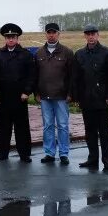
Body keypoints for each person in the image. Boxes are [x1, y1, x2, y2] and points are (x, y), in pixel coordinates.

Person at [72, 24, 108, 171]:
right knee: (89, 131)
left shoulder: (107, 53)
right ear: (85, 36)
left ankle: (107, 160)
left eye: (93, 34)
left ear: (98, 35)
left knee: (104, 132)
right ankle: (92, 159)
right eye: (88, 34)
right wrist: (76, 97)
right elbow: (76, 78)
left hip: (102, 99)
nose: (91, 37)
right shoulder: (79, 54)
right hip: (86, 99)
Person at [0, 23, 35, 162]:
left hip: (20, 96)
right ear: (5, 38)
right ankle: (2, 153)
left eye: (13, 37)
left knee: (22, 127)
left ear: (17, 38)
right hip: (4, 96)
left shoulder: (25, 54)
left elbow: (31, 75)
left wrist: (27, 92)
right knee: (3, 126)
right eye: (8, 37)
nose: (10, 39)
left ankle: (24, 153)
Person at [35, 22, 75, 165]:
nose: (51, 35)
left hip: (62, 96)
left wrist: (71, 93)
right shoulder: (39, 53)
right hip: (45, 96)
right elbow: (35, 75)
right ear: (45, 34)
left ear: (59, 34)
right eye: (48, 32)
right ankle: (49, 153)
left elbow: (72, 75)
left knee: (63, 125)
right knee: (48, 126)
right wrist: (36, 92)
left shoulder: (67, 52)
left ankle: (64, 153)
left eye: (54, 32)